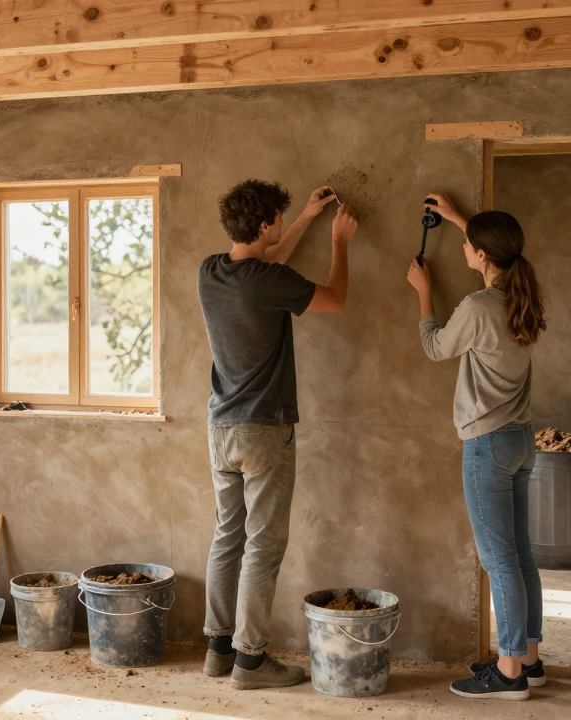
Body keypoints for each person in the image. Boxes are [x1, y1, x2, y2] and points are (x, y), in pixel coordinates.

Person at [197, 179, 358, 689]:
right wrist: (338, 242)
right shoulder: (269, 281)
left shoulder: (210, 272)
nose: (282, 227)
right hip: (264, 430)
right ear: (266, 224)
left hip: (220, 427)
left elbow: (263, 268)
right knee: (262, 547)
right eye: (280, 220)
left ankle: (218, 651)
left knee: (228, 538)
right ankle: (251, 661)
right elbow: (333, 300)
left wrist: (308, 216)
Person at [406, 194, 547, 701]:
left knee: (499, 560)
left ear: (482, 255)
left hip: (487, 445)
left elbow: (436, 346)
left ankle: (508, 673)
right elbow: (495, 262)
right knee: (521, 554)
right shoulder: (522, 298)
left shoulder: (477, 307)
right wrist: (462, 221)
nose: (464, 247)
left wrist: (423, 292)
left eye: (469, 244)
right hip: (521, 441)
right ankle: (529, 660)